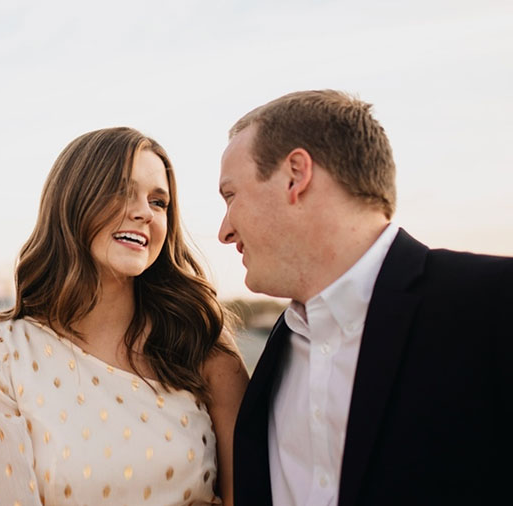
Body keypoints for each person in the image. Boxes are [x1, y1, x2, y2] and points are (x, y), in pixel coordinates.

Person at [218, 90, 513, 506]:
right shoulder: (269, 363)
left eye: (230, 196)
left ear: (295, 175)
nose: (224, 231)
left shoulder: (496, 304)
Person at [0, 127, 249, 505]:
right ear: (74, 202)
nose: (144, 212)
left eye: (159, 202)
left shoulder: (203, 350)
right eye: (122, 191)